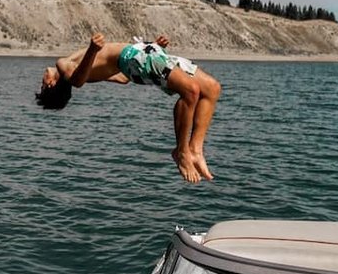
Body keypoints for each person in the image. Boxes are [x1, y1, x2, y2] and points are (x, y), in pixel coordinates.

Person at [36, 33, 221, 184]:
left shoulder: (84, 70)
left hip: (142, 53)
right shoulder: (63, 65)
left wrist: (153, 46)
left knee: (212, 88)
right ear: (51, 84)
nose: (42, 81)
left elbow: (123, 79)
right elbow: (77, 81)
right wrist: (93, 49)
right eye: (42, 86)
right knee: (191, 91)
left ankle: (195, 149)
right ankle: (182, 152)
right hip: (133, 57)